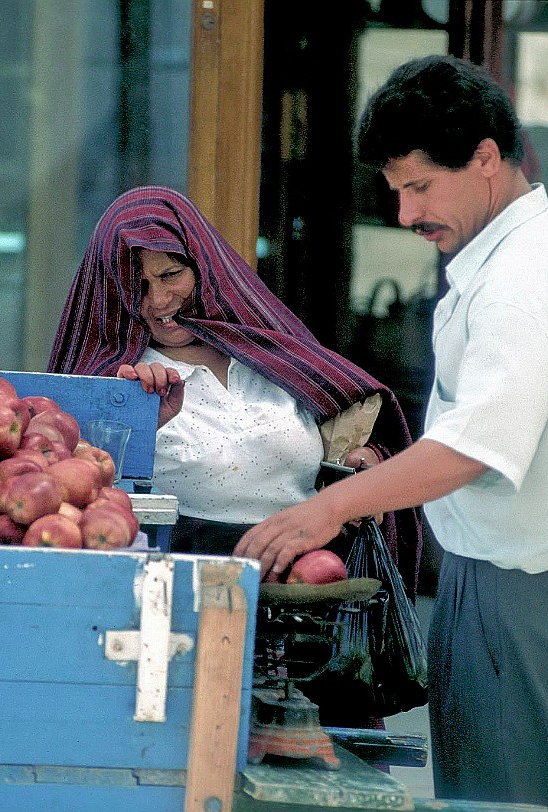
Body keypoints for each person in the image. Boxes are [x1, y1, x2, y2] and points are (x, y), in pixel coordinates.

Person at [234, 55, 548, 812]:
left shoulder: (516, 282)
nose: (405, 214)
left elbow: (477, 446)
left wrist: (332, 506)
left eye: (421, 186)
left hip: (520, 597)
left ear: (487, 159)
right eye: (396, 191)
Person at [47, 185, 425, 726]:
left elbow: (360, 426)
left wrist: (364, 462)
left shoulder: (273, 358)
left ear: (205, 266)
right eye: (138, 285)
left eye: (171, 275)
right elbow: (78, 489)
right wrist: (135, 425)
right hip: (181, 619)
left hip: (309, 611)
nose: (157, 301)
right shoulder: (116, 381)